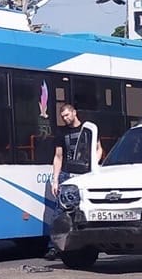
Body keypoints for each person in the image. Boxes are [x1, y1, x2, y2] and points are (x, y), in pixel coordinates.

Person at [43, 100, 100, 261]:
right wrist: (55, 180)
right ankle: (54, 247)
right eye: (62, 116)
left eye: (67, 115)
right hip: (67, 174)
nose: (65, 119)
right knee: (60, 211)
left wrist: (91, 167)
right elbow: (58, 156)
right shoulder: (61, 133)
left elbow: (98, 149)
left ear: (74, 113)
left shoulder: (87, 130)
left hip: (85, 174)